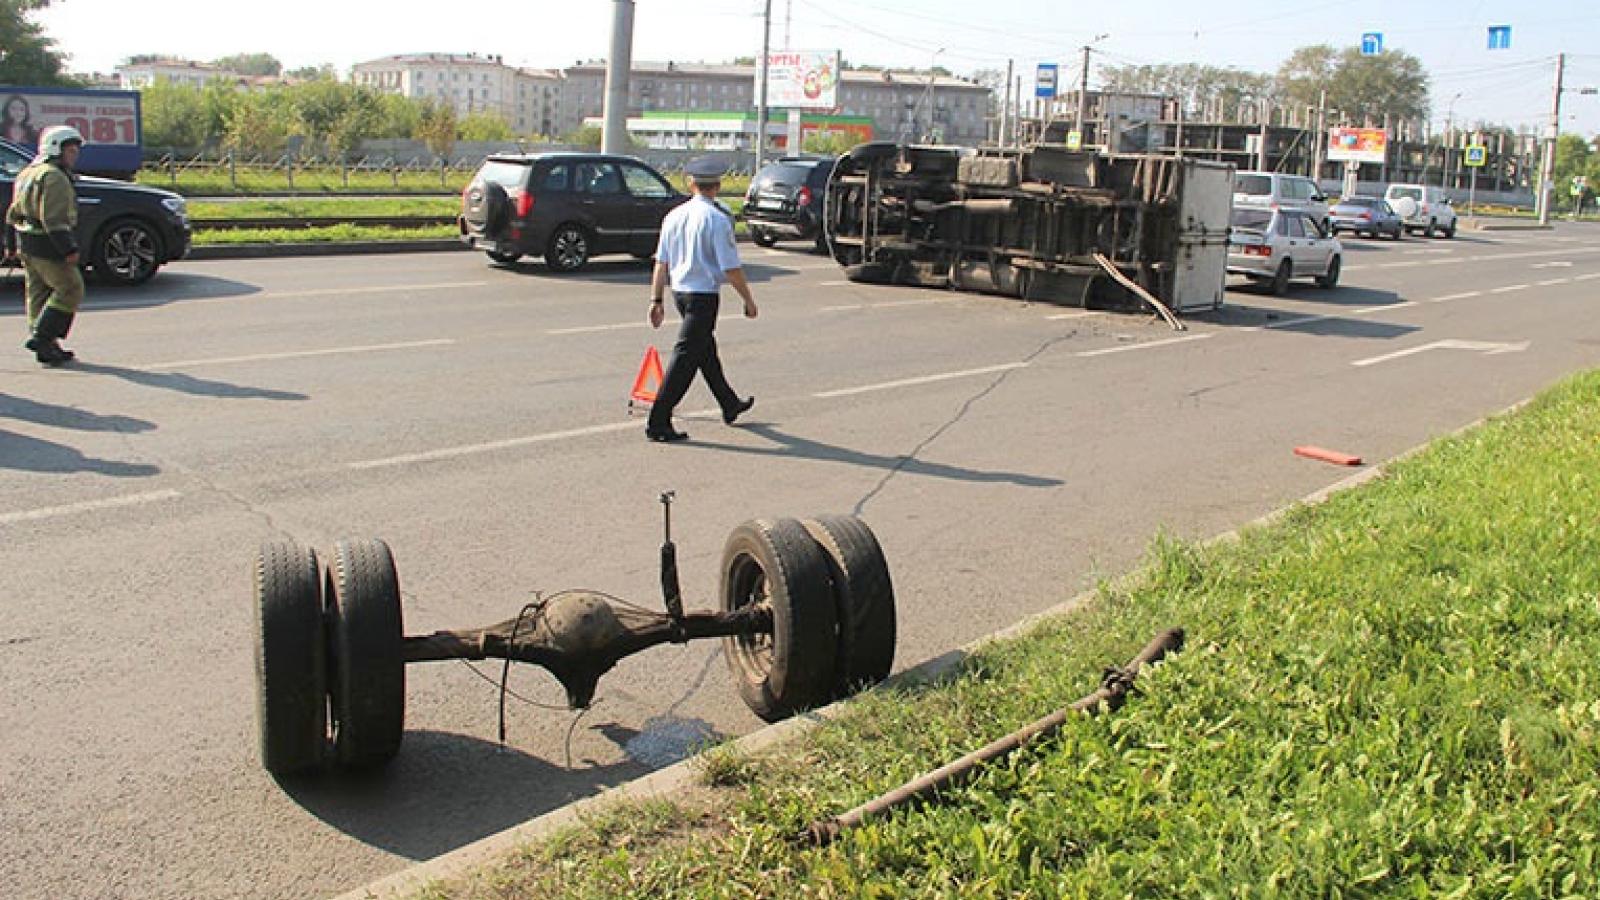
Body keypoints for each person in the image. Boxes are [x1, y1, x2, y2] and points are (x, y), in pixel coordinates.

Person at [644, 156, 758, 443]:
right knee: (685, 358)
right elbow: (731, 268)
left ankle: (729, 403)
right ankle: (658, 421)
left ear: (690, 183)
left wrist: (656, 299)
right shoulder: (717, 220)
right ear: (717, 186)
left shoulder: (674, 216)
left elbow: (661, 263)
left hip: (679, 293)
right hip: (703, 296)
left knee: (704, 351)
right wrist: (748, 300)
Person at [4, 125, 86, 366]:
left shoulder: (28, 172)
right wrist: (68, 249)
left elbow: (13, 212)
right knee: (71, 288)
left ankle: (47, 347)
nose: (74, 156)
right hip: (46, 245)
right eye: (70, 151)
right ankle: (43, 338)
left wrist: (11, 244)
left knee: (38, 295)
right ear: (56, 149)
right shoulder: (54, 177)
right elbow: (54, 219)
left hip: (27, 243)